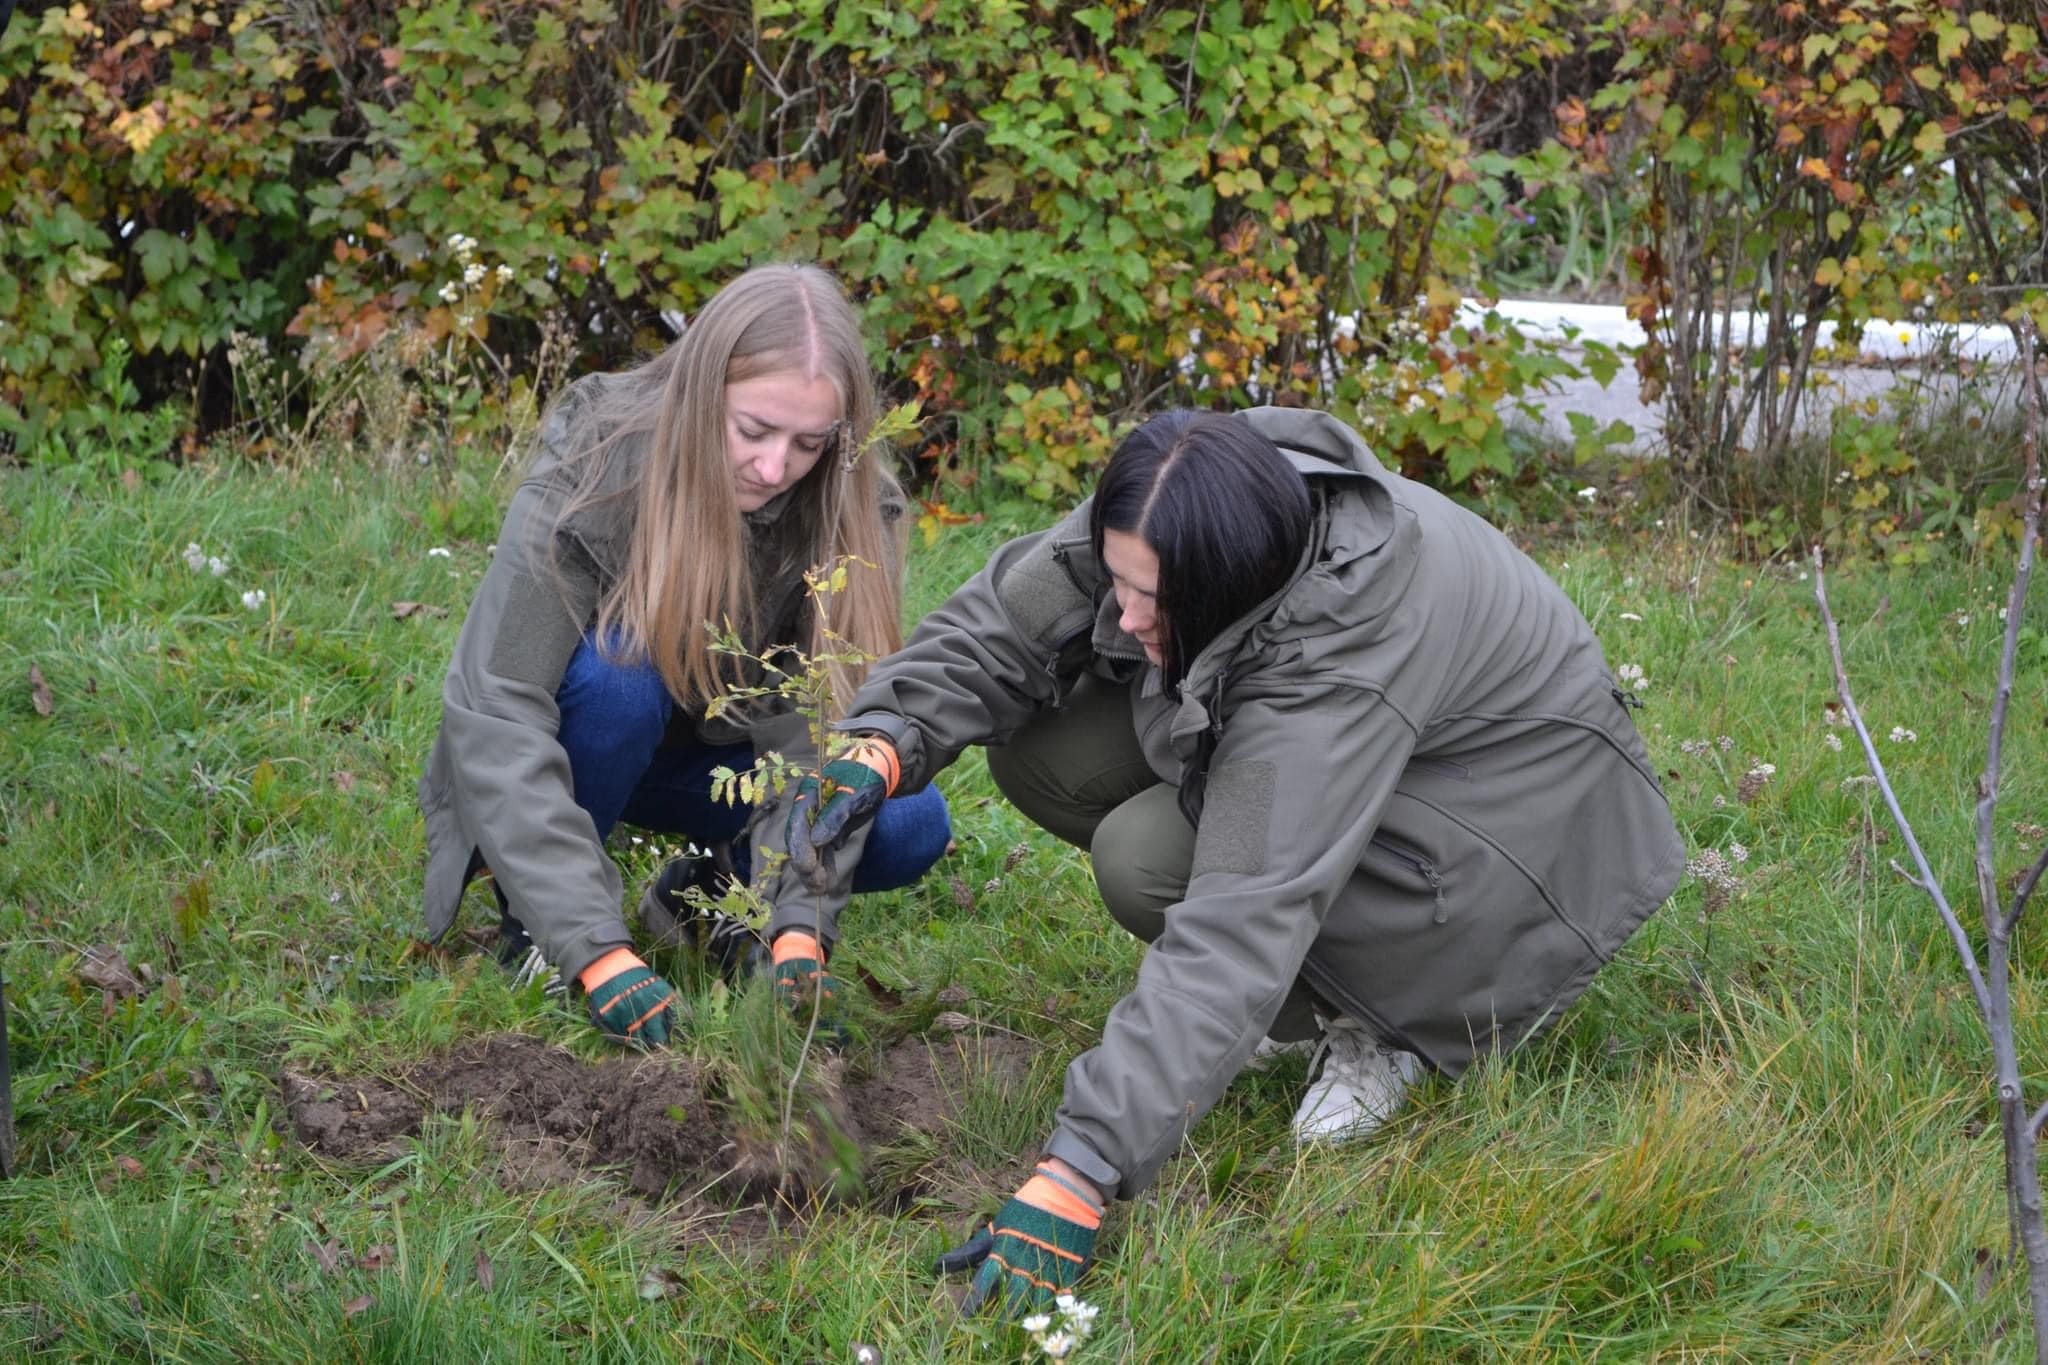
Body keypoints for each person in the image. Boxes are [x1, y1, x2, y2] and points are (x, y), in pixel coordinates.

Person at [786, 405, 1685, 1314]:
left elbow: (1242, 915)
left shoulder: (1333, 652)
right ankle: (1270, 1012)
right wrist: (881, 741)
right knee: (1039, 750)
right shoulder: (1181, 495)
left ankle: (1381, 1025)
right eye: (1117, 579)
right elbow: (1006, 618)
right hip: (1388, 761)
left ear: (1229, 586)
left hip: (1504, 859)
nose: (1124, 612)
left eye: (1153, 601)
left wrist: (1077, 1169)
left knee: (1148, 863)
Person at [416, 263, 952, 1048]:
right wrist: (594, 952)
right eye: (753, 431)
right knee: (619, 673)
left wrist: (797, 924)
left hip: (727, 769)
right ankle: (539, 923)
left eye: (808, 442)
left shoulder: (852, 501)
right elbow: (499, 705)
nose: (775, 469)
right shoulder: (598, 457)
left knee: (908, 817)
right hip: (586, 747)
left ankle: (711, 904)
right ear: (704, 393)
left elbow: (823, 736)